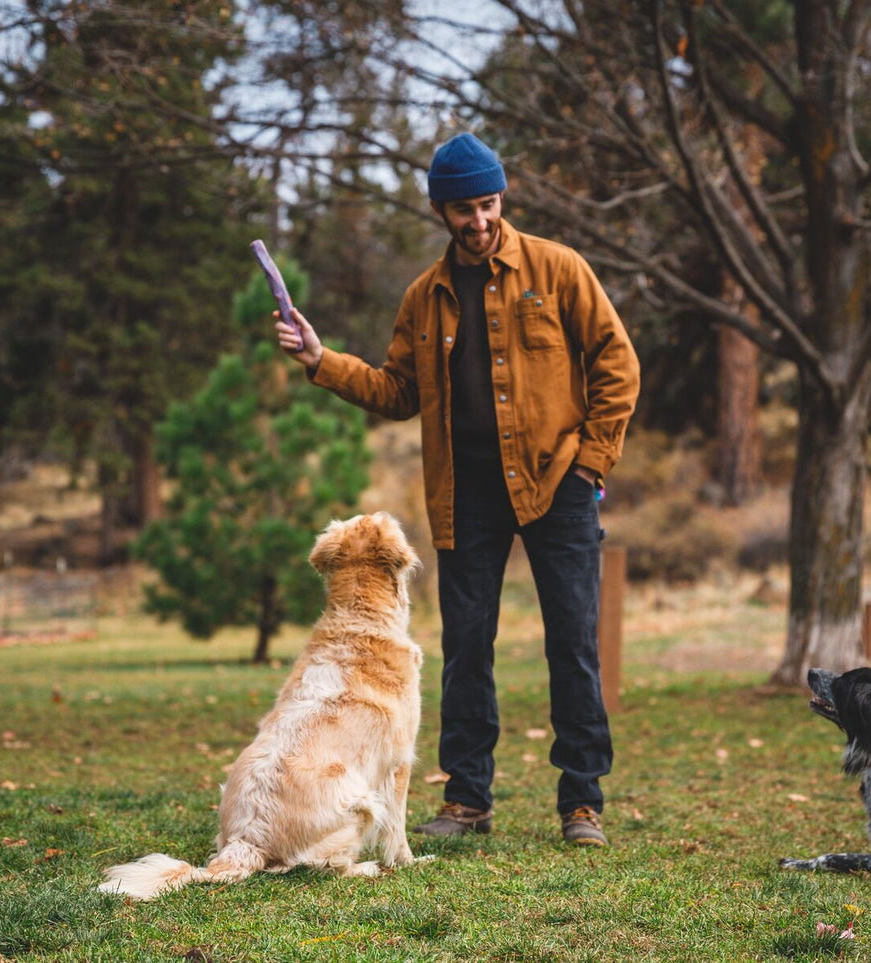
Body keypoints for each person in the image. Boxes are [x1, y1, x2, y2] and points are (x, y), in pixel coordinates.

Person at [274, 132, 640, 846]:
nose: (479, 220)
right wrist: (321, 359)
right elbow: (397, 390)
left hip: (558, 482)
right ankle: (467, 798)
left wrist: (592, 464)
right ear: (441, 211)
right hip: (466, 492)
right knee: (466, 646)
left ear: (501, 198)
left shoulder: (557, 269)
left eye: (489, 203)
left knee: (573, 641)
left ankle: (581, 801)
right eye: (464, 209)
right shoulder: (424, 297)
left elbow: (616, 364)